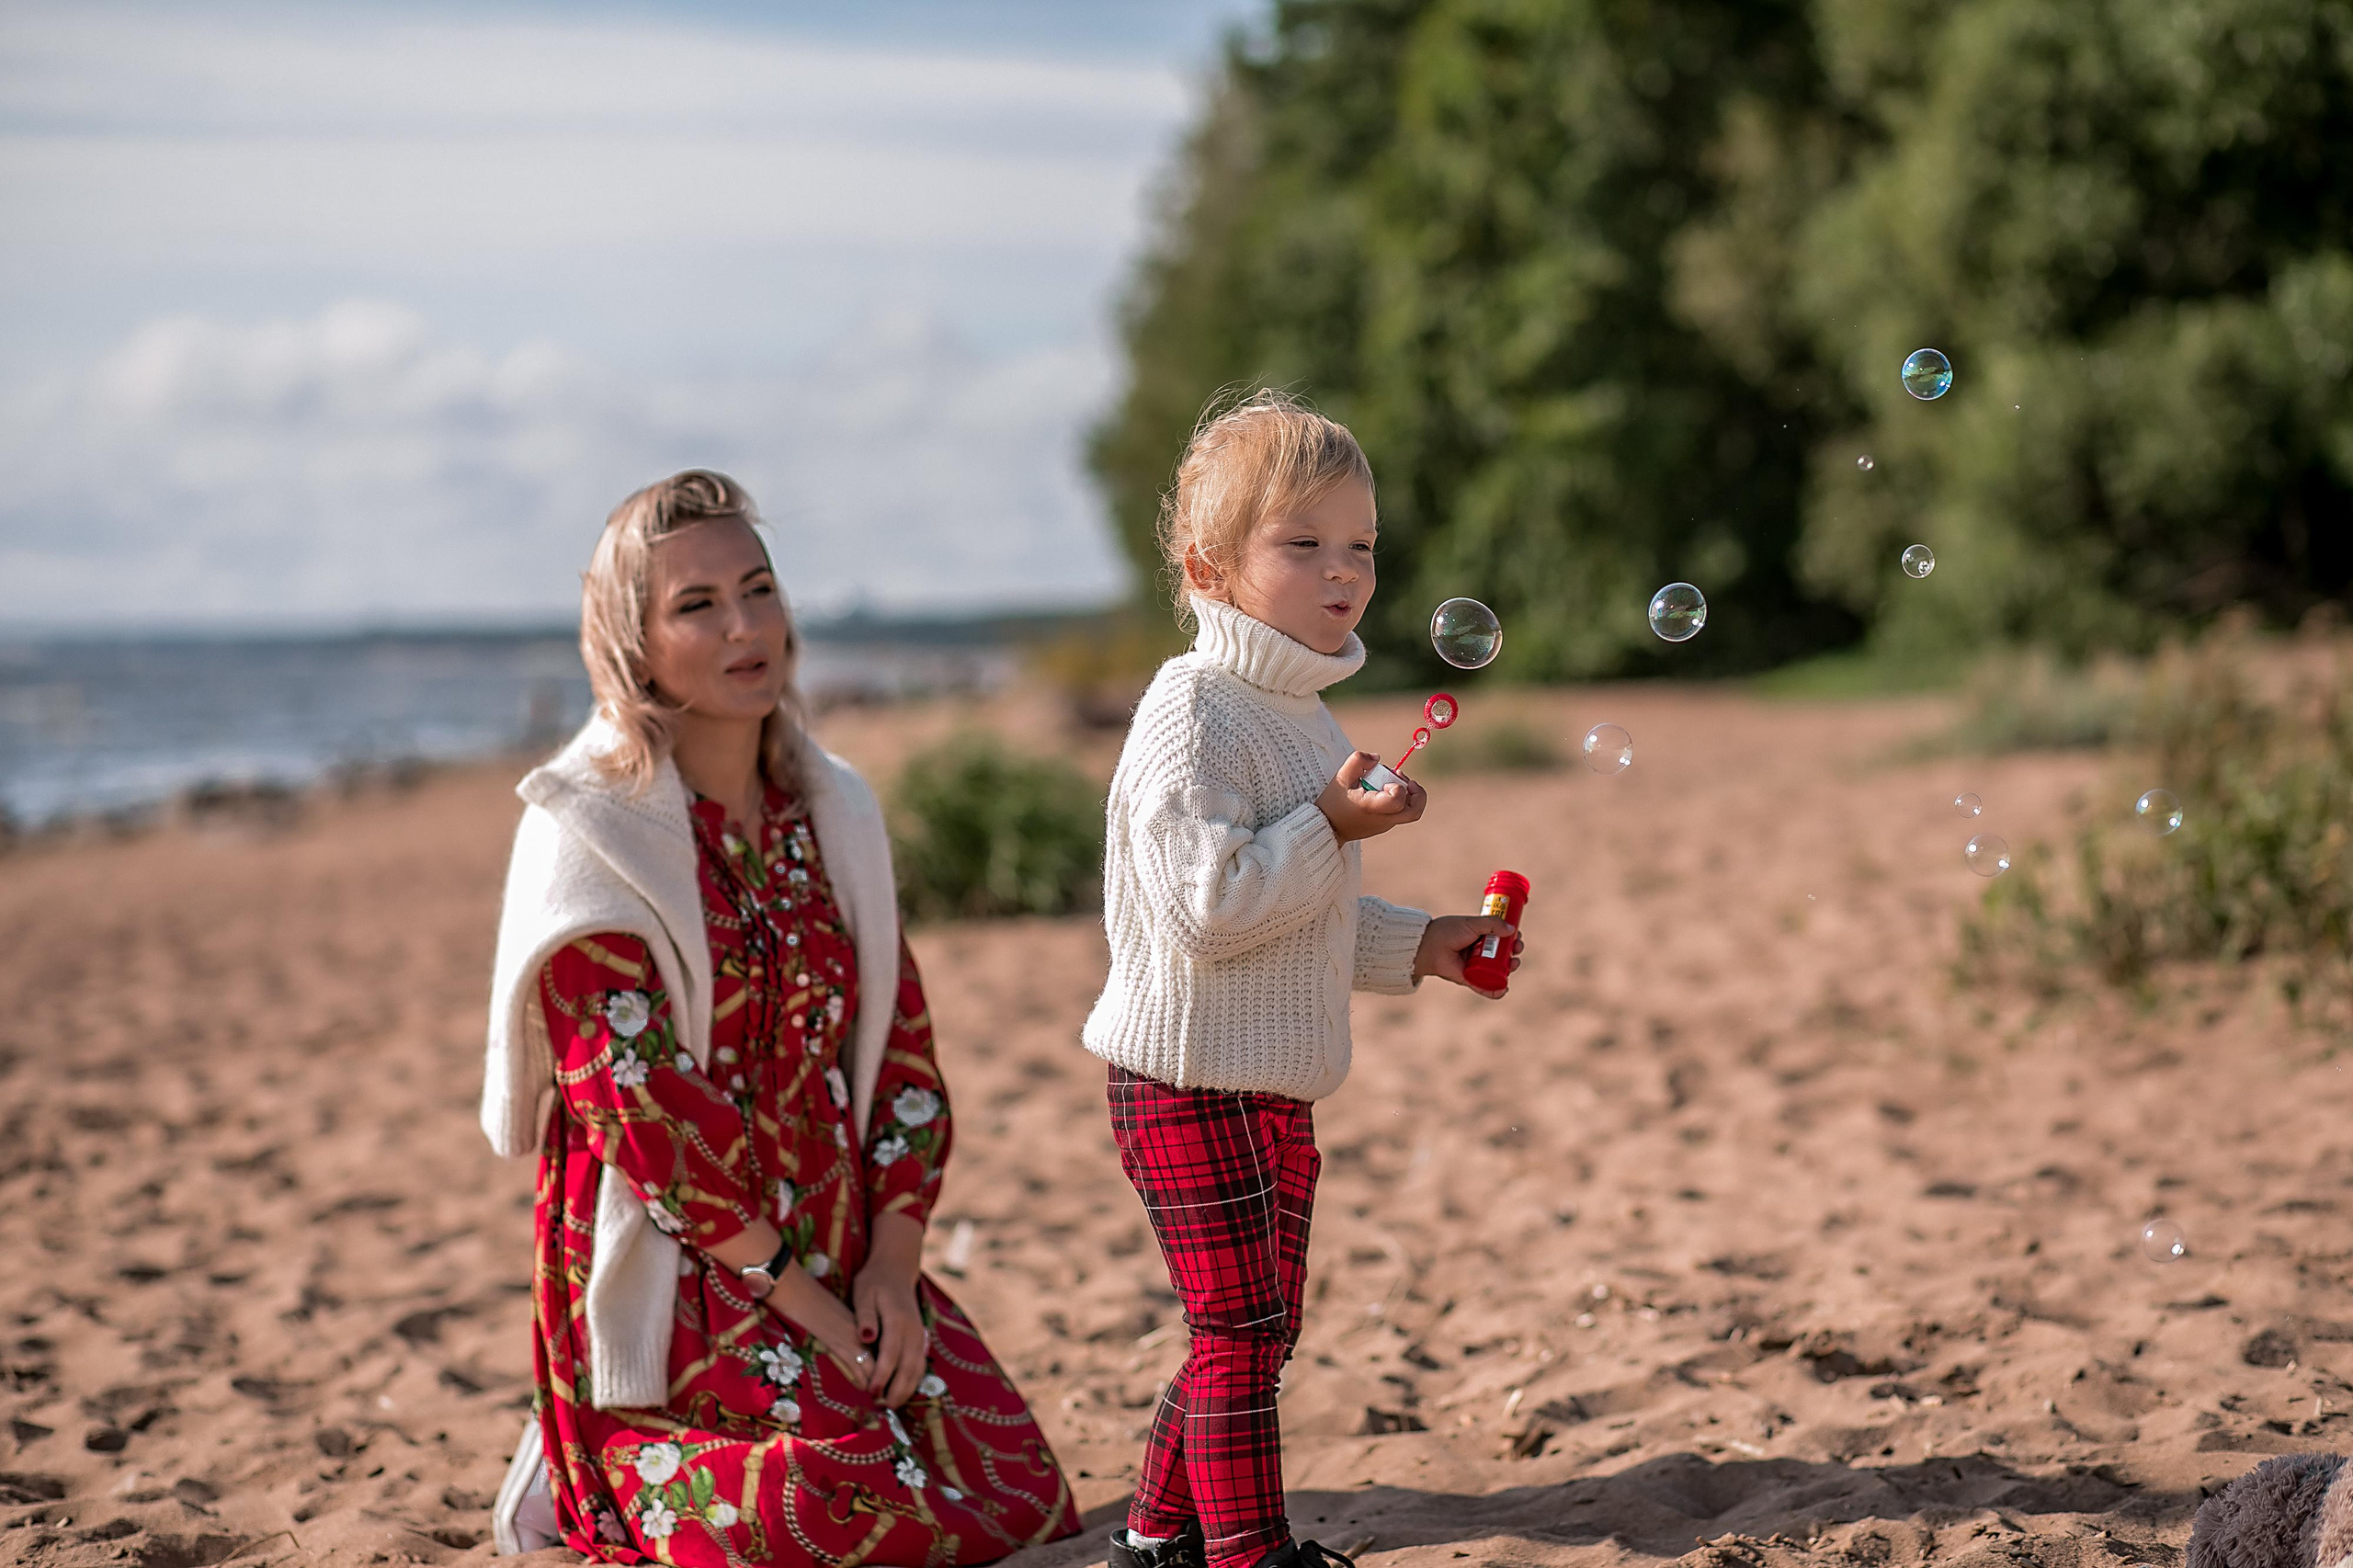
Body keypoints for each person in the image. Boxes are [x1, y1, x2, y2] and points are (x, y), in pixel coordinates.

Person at [478, 471, 1080, 1562]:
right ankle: (586, 1453)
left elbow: (902, 1053)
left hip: (843, 1240)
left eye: (758, 588)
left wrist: (890, 1272)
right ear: (633, 640)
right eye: (697, 604)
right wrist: (798, 1298)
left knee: (1018, 1491)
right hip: (689, 1254)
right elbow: (638, 1108)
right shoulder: (588, 832)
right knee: (828, 1509)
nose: (746, 626)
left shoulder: (833, 806)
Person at [1083, 392, 1525, 1568]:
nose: (1345, 572)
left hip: (1268, 1076)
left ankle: (1149, 1540)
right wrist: (1329, 818)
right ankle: (1249, 1551)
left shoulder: (1293, 708)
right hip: (1183, 1077)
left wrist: (1421, 942)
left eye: (1362, 546)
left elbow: (1301, 916)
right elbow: (1212, 909)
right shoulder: (1192, 710)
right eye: (1305, 544)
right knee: (1236, 1326)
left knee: (1254, 1332)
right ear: (1209, 567)